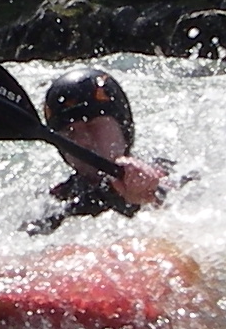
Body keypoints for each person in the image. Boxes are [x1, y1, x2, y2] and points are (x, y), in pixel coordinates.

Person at [26, 66, 177, 234]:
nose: (82, 141)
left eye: (92, 126)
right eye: (69, 132)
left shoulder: (166, 174)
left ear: (124, 128)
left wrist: (150, 196)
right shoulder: (57, 201)